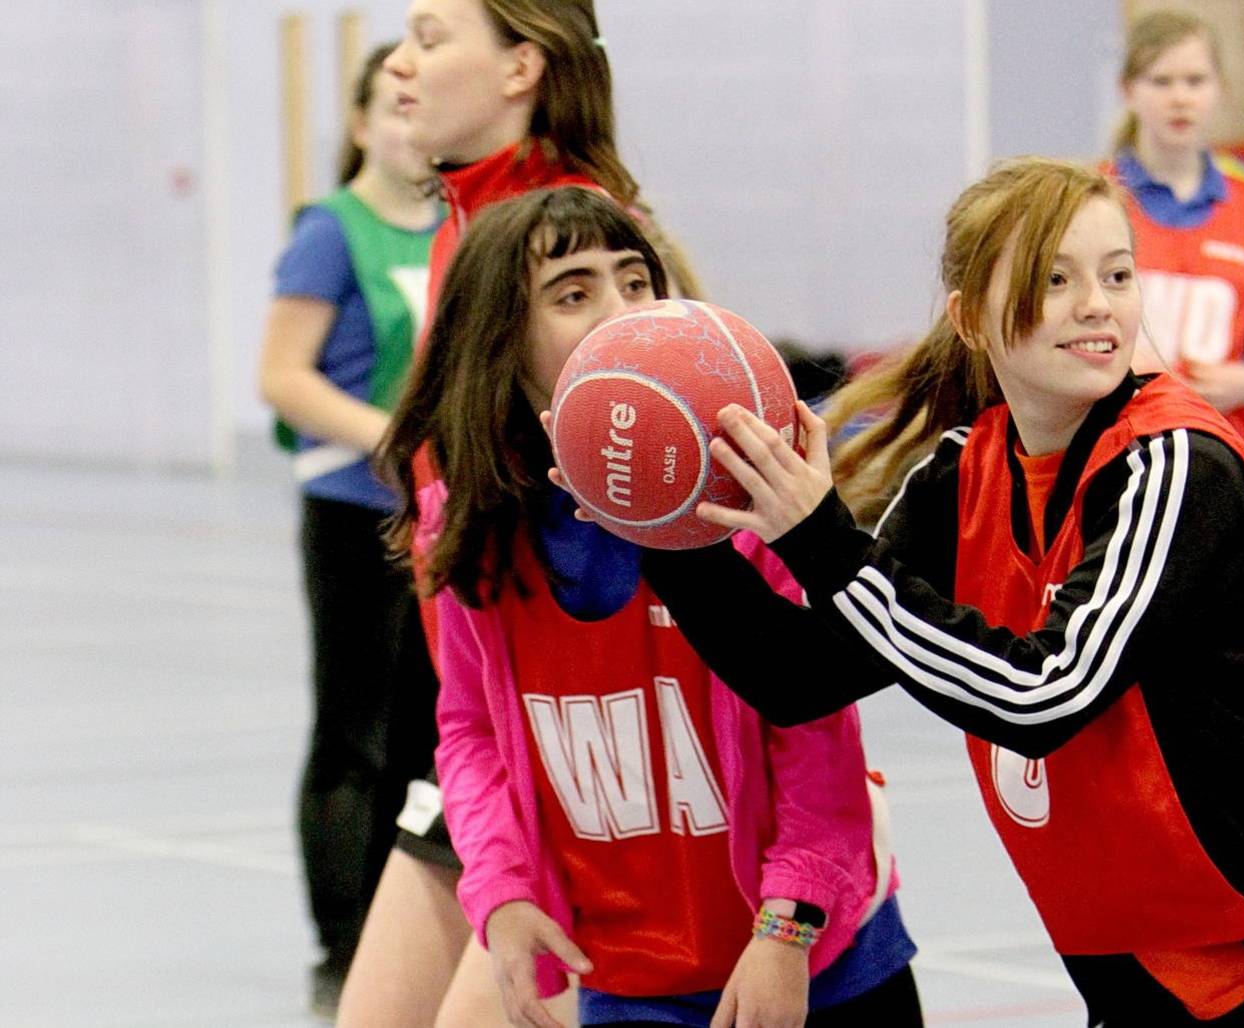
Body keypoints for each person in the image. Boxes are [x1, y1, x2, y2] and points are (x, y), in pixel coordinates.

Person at [622, 157, 1244, 1026]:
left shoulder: (1175, 465)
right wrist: (661, 528)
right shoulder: (959, 478)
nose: (1099, 304)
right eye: (1056, 279)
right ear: (970, 318)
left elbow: (1048, 693)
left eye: (1117, 275)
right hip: (1140, 926)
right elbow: (800, 675)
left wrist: (821, 541)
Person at [379, 185, 922, 1028]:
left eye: (637, 283)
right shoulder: (471, 529)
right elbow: (471, 732)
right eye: (573, 293)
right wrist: (502, 893)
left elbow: (819, 745)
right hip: (628, 976)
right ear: (502, 342)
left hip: (815, 961)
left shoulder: (738, 504)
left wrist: (787, 931)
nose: (620, 310)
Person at [337, 3, 697, 1023]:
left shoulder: (574, 237)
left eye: (432, 36)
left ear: (521, 68)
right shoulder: (473, 225)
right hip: (480, 724)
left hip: (578, 750)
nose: (403, 64)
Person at [256, 42, 444, 1017]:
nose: (412, 120)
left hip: (437, 518)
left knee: (428, 732)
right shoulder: (333, 230)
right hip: (354, 508)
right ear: (364, 123)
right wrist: (396, 440)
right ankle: (344, 939)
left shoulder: (457, 226)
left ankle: (413, 930)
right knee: (354, 731)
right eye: (391, 104)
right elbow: (282, 374)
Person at [1107, 9, 1244, 457]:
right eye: (1162, 82)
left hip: (1221, 454)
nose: (1180, 98)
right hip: (1115, 449)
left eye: (1195, 81)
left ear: (1219, 90)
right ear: (1129, 91)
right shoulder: (1095, 198)